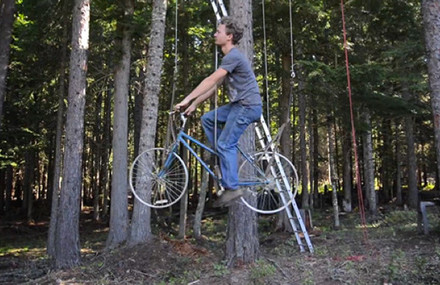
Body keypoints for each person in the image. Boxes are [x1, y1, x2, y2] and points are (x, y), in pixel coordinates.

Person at [175, 17, 262, 206]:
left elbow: (211, 80)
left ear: (229, 36)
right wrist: (195, 104)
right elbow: (214, 87)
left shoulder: (234, 56)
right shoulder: (229, 58)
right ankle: (223, 151)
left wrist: (187, 98)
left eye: (219, 32)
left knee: (225, 144)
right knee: (208, 119)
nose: (215, 34)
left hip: (247, 106)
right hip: (240, 104)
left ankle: (232, 187)